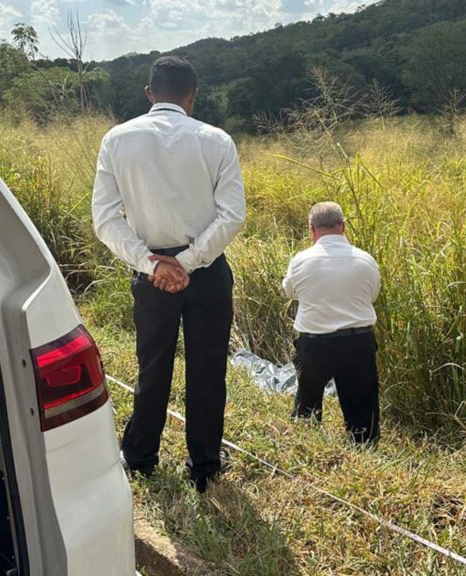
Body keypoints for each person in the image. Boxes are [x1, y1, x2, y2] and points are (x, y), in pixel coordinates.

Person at [91, 55, 246, 492]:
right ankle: (204, 466)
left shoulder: (117, 140)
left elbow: (105, 219)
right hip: (208, 272)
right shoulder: (217, 140)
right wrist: (191, 262)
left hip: (153, 274)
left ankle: (140, 459)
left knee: (152, 366)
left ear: (149, 94)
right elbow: (233, 216)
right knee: (208, 369)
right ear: (192, 97)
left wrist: (152, 263)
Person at [281, 202, 381, 444]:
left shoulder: (301, 260)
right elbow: (373, 295)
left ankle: (307, 448)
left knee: (307, 406)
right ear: (343, 227)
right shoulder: (366, 260)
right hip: (358, 342)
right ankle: (364, 448)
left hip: (314, 345)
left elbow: (288, 291)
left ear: (311, 230)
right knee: (362, 410)